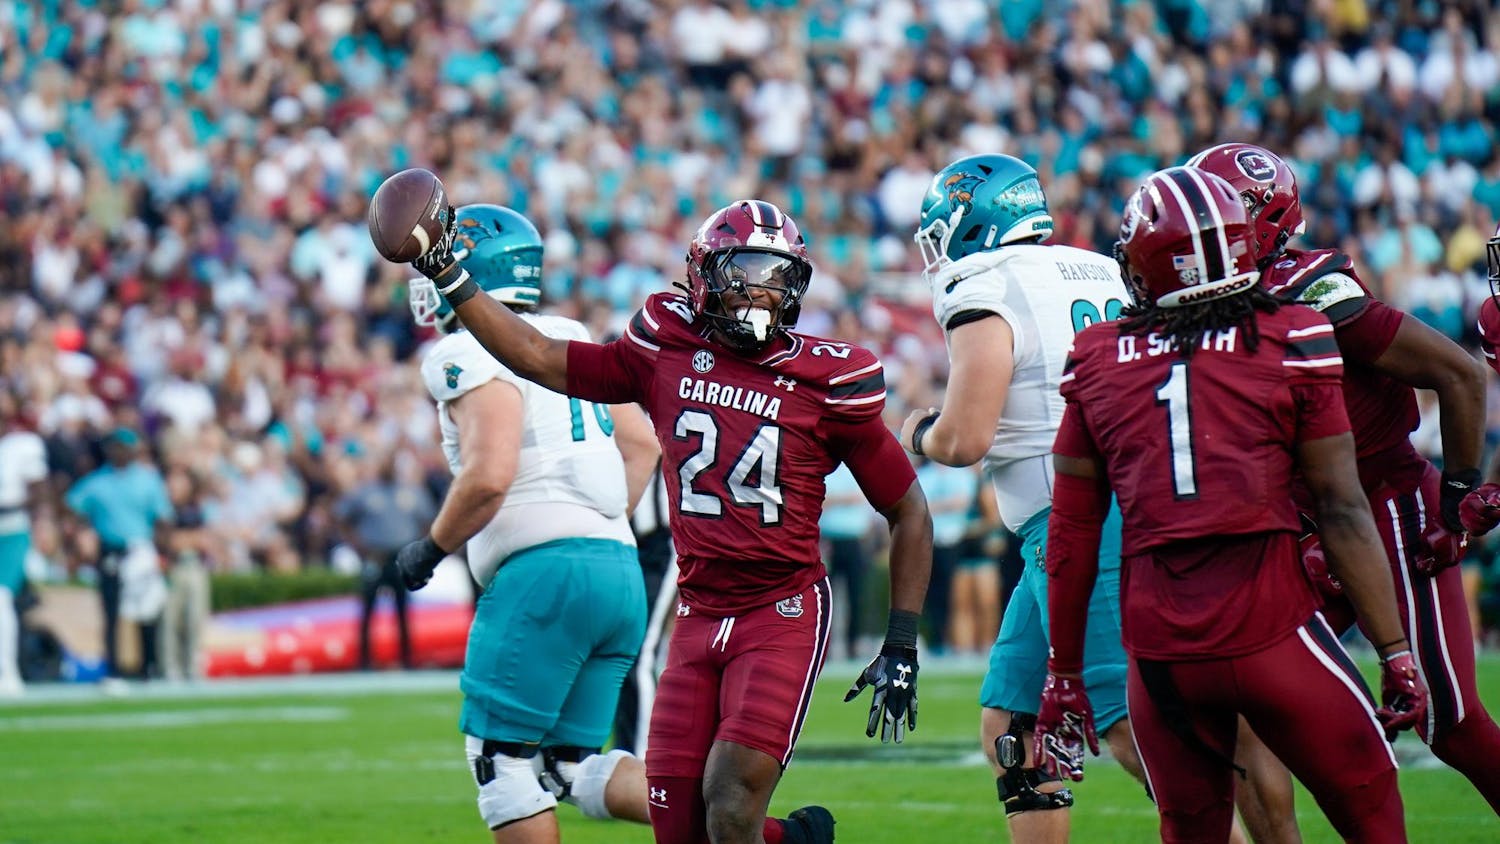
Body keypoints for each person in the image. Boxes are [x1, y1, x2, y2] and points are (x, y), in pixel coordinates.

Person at [395, 196, 933, 844]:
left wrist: (901, 642)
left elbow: (908, 510)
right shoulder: (664, 345)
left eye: (777, 275)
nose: (760, 292)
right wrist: (449, 273)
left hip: (781, 609)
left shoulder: (826, 380)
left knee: (730, 804)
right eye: (743, 272)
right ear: (704, 275)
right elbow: (537, 354)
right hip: (698, 612)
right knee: (678, 825)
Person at [1034, 166, 1428, 843]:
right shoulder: (1294, 336)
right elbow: (1341, 508)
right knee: (1373, 812)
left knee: (1192, 830)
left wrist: (1063, 672)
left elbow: (1071, 531)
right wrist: (1394, 649)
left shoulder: (1096, 356)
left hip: (1161, 655)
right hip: (1273, 631)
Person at [1192, 143, 1500, 817]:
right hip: (1305, 526)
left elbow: (1459, 373)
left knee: (1448, 720)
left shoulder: (1313, 290)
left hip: (1387, 509)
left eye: (1211, 215)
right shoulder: (1205, 303)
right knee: (1246, 714)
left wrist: (1456, 500)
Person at [395, 203, 662, 841]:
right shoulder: (570, 335)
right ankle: (759, 832)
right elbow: (642, 445)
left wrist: (429, 549)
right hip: (617, 568)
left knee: (503, 765)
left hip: (544, 575)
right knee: (568, 767)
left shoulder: (468, 349)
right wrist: (594, 525)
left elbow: (490, 473)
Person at [900, 153, 1145, 838]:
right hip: (1105, 507)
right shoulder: (1099, 267)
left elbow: (964, 438)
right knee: (1013, 725)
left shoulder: (983, 281)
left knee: (1127, 725)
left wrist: (915, 432)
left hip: (1079, 521)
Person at [65, 428, 173, 682]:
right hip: (111, 549)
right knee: (112, 610)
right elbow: (71, 508)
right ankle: (114, 669)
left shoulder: (147, 479)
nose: (119, 452)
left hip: (141, 549)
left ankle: (149, 665)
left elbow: (162, 519)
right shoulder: (97, 482)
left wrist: (164, 553)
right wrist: (83, 535)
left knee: (147, 609)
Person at [335, 450, 435, 671]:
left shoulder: (411, 492)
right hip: (375, 556)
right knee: (368, 608)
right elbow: (342, 518)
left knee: (403, 609)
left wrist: (417, 546)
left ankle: (407, 660)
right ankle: (364, 661)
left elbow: (428, 519)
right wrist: (358, 547)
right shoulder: (364, 492)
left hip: (400, 556)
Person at [0, 397, 48, 696]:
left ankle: (7, 671)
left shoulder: (23, 445)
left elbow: (38, 490)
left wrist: (42, 525)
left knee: (1, 598)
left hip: (11, 528)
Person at [159, 467, 212, 682]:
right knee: (170, 622)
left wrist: (186, 540)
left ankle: (193, 668)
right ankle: (170, 668)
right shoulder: (164, 510)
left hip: (193, 566)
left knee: (195, 619)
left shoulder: (196, 509)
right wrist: (189, 539)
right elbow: (170, 542)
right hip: (173, 569)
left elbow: (204, 540)